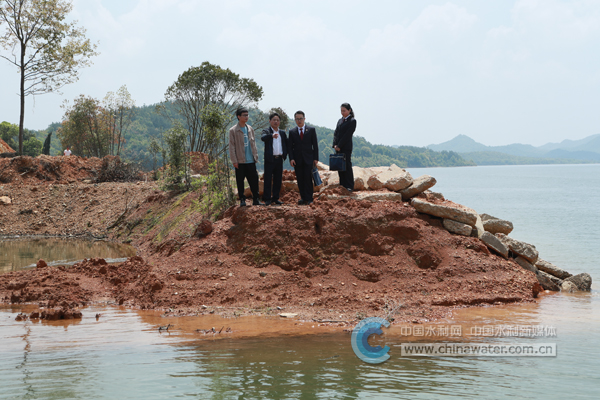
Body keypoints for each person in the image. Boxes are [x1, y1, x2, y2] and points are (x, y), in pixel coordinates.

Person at [229, 108, 264, 206]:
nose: (246, 117)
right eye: (244, 115)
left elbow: (254, 144)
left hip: (251, 160)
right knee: (240, 182)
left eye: (247, 115)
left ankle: (256, 200)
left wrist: (255, 157)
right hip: (240, 161)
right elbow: (231, 146)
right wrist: (234, 160)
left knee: (254, 181)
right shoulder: (233, 130)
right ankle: (242, 200)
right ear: (238, 116)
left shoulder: (250, 129)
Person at [288, 110, 319, 205]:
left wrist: (316, 158)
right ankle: (303, 198)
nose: (299, 120)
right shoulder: (292, 132)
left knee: (308, 178)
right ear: (295, 120)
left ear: (304, 119)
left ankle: (309, 198)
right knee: (300, 179)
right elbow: (290, 147)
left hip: (309, 158)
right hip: (297, 160)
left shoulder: (311, 130)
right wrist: (291, 159)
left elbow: (315, 145)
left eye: (301, 118)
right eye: (297, 119)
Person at [261, 112, 288, 206]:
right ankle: (267, 199)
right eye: (274, 120)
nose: (276, 122)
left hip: (279, 159)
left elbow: (286, 144)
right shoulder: (266, 131)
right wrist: (271, 136)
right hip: (269, 159)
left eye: (277, 120)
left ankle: (276, 198)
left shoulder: (282, 133)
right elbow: (263, 138)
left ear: (279, 122)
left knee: (278, 179)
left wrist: (285, 154)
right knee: (268, 179)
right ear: (270, 121)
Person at [332, 103, 356, 191]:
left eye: (344, 111)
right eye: (341, 111)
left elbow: (347, 135)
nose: (342, 112)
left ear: (349, 110)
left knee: (347, 166)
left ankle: (349, 186)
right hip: (338, 147)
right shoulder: (340, 120)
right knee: (340, 166)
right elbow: (336, 133)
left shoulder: (352, 121)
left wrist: (339, 145)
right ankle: (342, 185)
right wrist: (335, 144)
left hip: (346, 147)